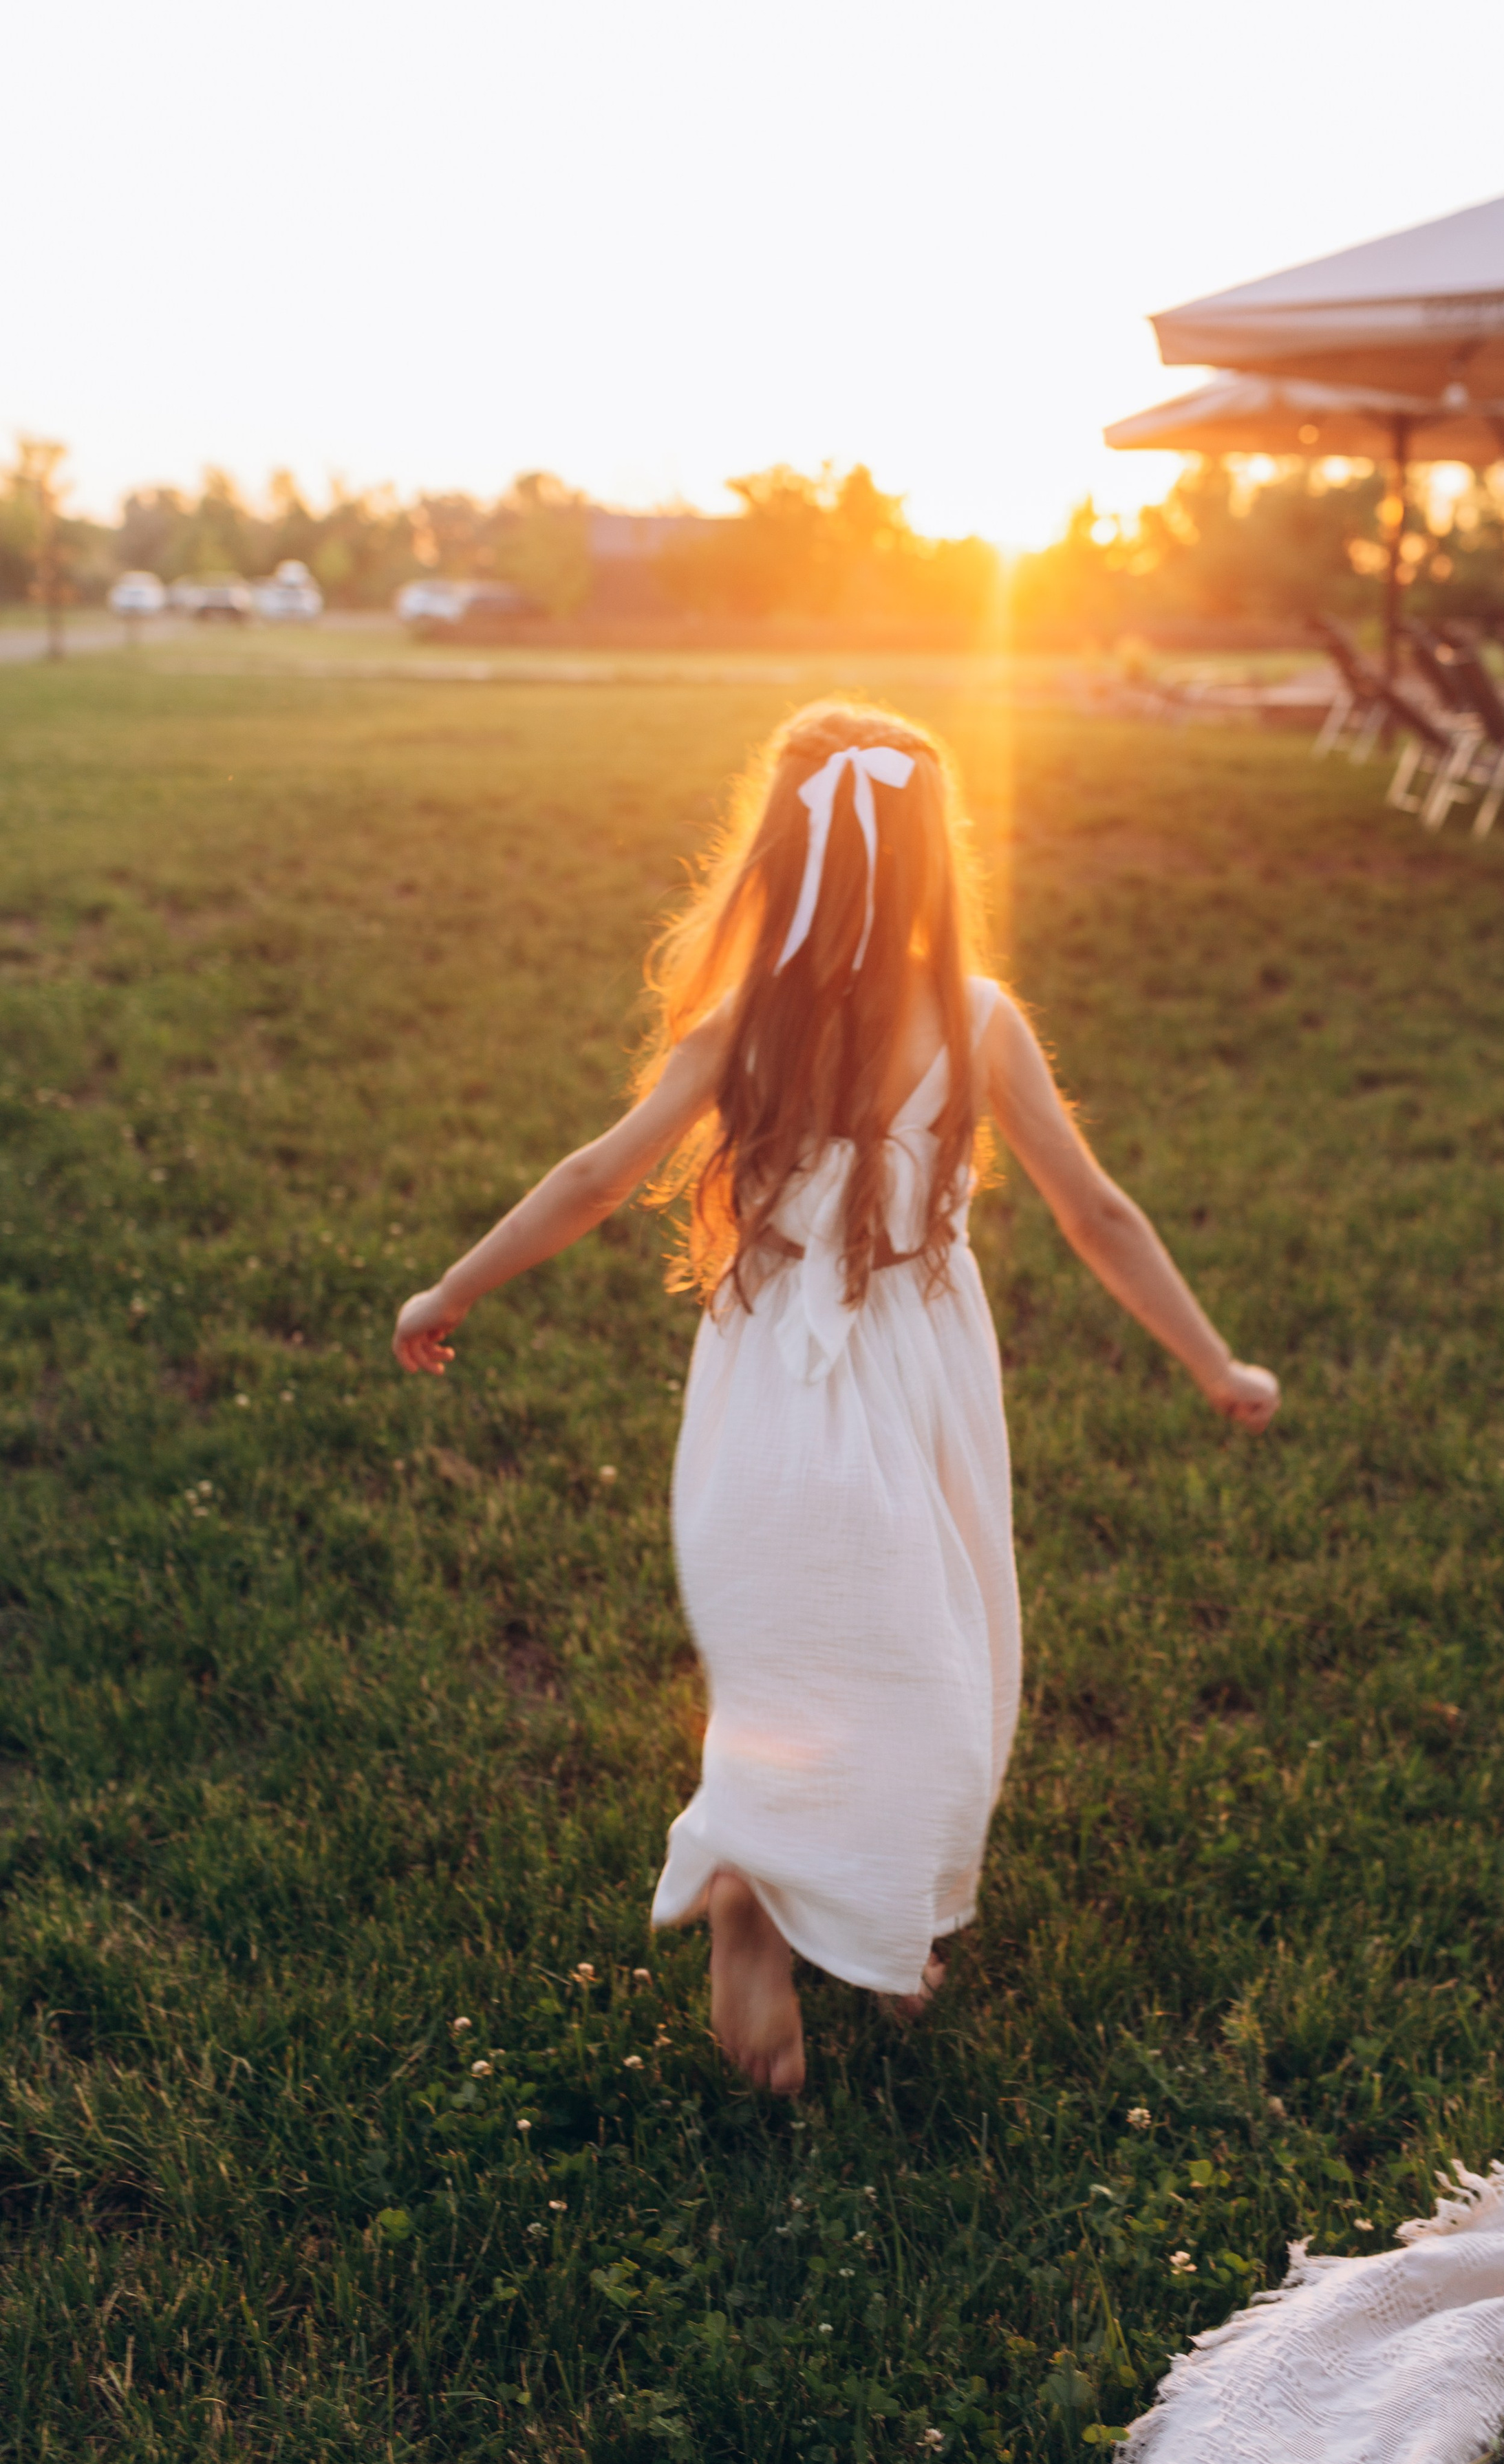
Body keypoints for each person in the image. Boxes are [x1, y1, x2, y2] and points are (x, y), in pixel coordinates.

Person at [393, 701, 1278, 2096]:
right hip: (917, 1377)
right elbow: (1096, 1212)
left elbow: (594, 1174)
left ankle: (816, 1892)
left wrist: (446, 1289)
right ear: (936, 861)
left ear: (773, 857)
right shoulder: (976, 1024)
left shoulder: (738, 1024)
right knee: (926, 1641)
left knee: (787, 1647)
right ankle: (834, 1892)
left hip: (761, 1379)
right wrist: (1212, 1360)